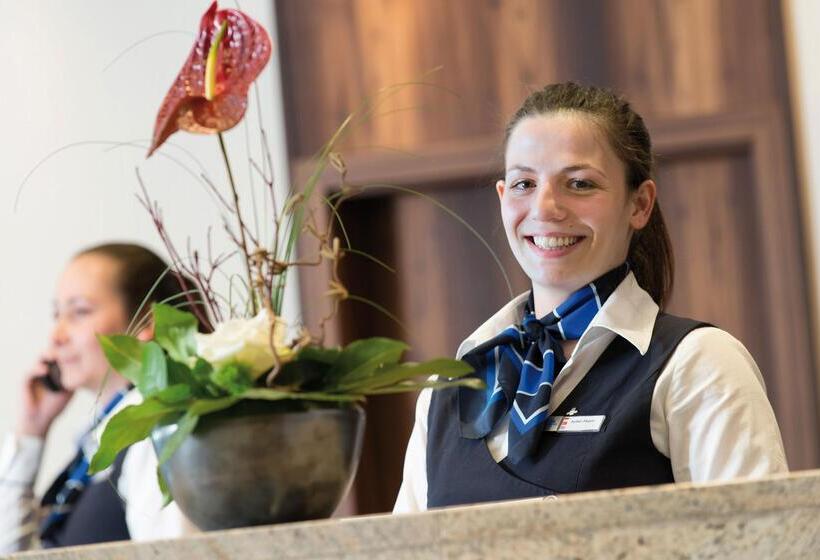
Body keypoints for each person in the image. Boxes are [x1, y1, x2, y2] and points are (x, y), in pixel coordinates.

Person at [394, 82, 788, 512]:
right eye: (525, 183)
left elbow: (762, 539)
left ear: (639, 204)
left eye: (579, 183)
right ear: (503, 197)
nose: (545, 208)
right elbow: (405, 544)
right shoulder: (447, 389)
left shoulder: (699, 364)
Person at [0, 243, 198, 552]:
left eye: (79, 312)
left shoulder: (156, 429)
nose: (56, 335)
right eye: (57, 314)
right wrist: (31, 431)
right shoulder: (100, 440)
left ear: (147, 322)